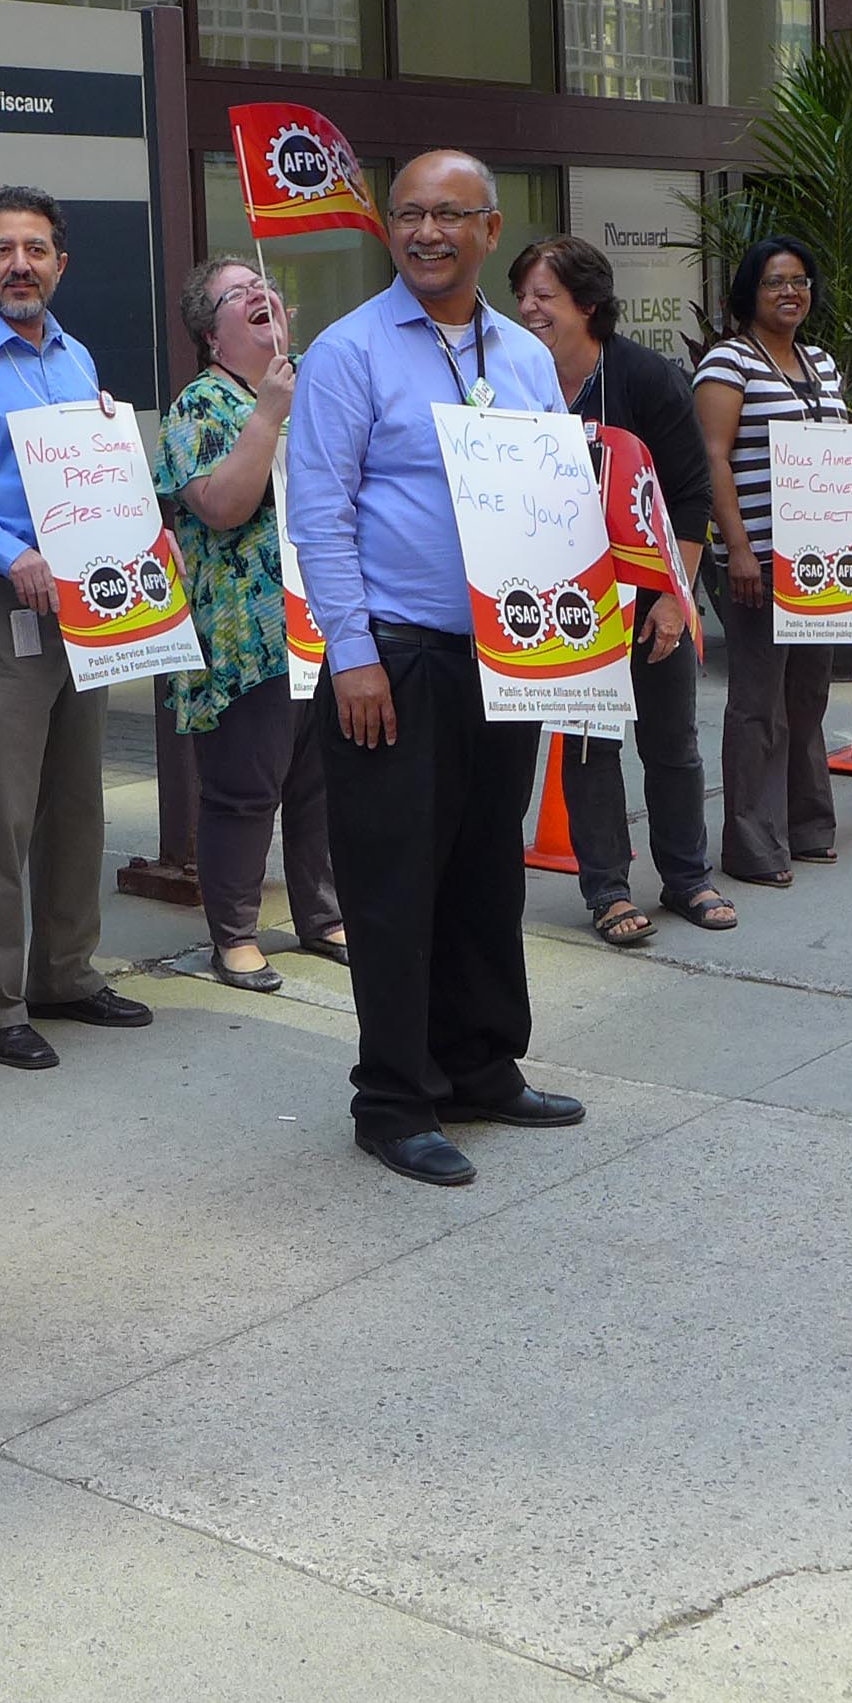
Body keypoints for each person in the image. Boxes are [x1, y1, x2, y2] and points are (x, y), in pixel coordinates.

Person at [286, 151, 588, 1190]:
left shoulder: (527, 355)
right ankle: (394, 1100)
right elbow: (318, 514)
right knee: (392, 887)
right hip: (395, 659)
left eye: (449, 215)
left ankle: (480, 1067)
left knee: (484, 871)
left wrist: (568, 646)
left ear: (490, 230)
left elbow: (554, 496)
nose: (426, 232)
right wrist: (352, 656)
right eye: (409, 213)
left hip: (506, 654)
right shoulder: (347, 352)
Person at [0, 185, 154, 1068]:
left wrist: (139, 526)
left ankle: (63, 972)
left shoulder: (74, 356)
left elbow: (94, 475)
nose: (18, 265)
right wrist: (6, 549)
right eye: (0, 249)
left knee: (75, 802)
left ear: (60, 263)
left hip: (85, 604)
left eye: (34, 250)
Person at [507, 236, 736, 944]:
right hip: (565, 597)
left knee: (671, 742)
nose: (528, 309)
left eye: (544, 296)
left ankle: (687, 877)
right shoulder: (511, 377)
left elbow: (691, 494)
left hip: (649, 589)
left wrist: (674, 597)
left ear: (588, 303)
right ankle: (605, 890)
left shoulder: (644, 376)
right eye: (522, 296)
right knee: (587, 745)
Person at [152, 257, 344, 993]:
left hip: (322, 621)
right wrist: (265, 415)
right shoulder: (200, 404)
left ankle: (322, 914)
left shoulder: (313, 390)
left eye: (265, 287)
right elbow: (222, 506)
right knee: (245, 789)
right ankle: (233, 934)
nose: (261, 292)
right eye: (239, 293)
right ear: (211, 334)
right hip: (247, 636)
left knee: (321, 783)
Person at [695, 236, 852, 887]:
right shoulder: (729, 361)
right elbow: (712, 457)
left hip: (822, 562)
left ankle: (807, 825)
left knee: (808, 695)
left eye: (799, 281)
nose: (790, 292)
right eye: (774, 282)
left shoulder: (822, 362)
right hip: (757, 558)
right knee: (758, 703)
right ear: (749, 292)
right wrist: (736, 547)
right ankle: (751, 844)